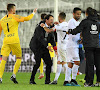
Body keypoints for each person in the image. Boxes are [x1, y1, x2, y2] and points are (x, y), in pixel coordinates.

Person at [0, 4, 37, 84]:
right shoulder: (15, 16)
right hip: (14, 40)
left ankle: (0, 77)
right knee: (19, 58)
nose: (15, 10)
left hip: (6, 41)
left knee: (3, 59)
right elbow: (27, 18)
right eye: (15, 8)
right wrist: (33, 13)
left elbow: (0, 32)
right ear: (12, 10)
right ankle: (13, 75)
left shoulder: (2, 19)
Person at [67, 7, 100, 87]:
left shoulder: (85, 21)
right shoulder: (98, 22)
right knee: (98, 64)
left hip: (89, 46)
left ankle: (89, 82)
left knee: (90, 64)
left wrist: (70, 31)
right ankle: (99, 81)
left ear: (86, 14)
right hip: (97, 45)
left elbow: (77, 30)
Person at [29, 14, 57, 84]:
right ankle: (31, 80)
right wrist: (47, 46)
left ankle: (47, 81)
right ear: (46, 20)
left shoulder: (50, 27)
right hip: (36, 47)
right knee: (38, 63)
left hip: (44, 47)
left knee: (49, 63)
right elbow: (40, 38)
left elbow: (51, 39)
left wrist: (54, 48)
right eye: (51, 20)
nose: (52, 21)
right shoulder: (39, 27)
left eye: (52, 20)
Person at [42, 12, 68, 85]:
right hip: (66, 45)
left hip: (61, 46)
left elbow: (49, 30)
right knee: (59, 62)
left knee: (64, 63)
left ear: (59, 18)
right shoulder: (67, 24)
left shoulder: (58, 26)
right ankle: (55, 80)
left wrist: (43, 26)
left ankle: (67, 80)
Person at [65, 7, 81, 86]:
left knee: (70, 63)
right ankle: (73, 80)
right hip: (72, 45)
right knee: (77, 62)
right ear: (73, 14)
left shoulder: (78, 23)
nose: (79, 15)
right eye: (77, 14)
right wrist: (79, 38)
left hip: (73, 45)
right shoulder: (71, 21)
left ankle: (66, 81)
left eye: (80, 14)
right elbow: (71, 33)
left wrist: (80, 39)